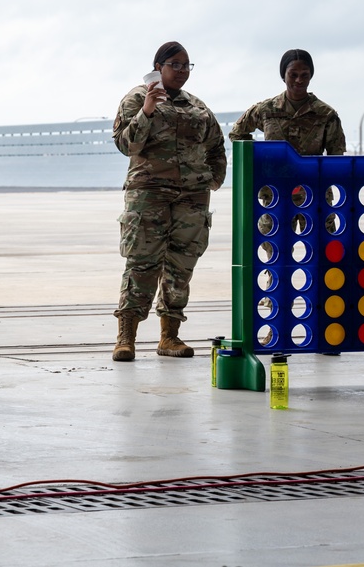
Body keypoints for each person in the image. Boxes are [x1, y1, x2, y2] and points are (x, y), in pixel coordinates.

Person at [111, 41, 227, 362]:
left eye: (186, 65)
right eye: (174, 64)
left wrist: (212, 180)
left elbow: (217, 146)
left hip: (191, 200)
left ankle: (169, 336)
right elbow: (126, 144)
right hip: (149, 196)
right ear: (158, 67)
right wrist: (148, 110)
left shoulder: (197, 106)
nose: (181, 71)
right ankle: (126, 337)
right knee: (142, 265)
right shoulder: (137, 98)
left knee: (181, 266)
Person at [230, 49, 346, 353]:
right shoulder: (267, 110)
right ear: (284, 75)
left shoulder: (325, 114)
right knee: (272, 266)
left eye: (304, 74)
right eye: (293, 74)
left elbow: (336, 158)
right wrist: (261, 161)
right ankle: (271, 332)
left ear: (311, 76)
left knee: (323, 264)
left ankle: (326, 335)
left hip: (315, 199)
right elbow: (237, 133)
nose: (298, 80)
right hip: (274, 201)